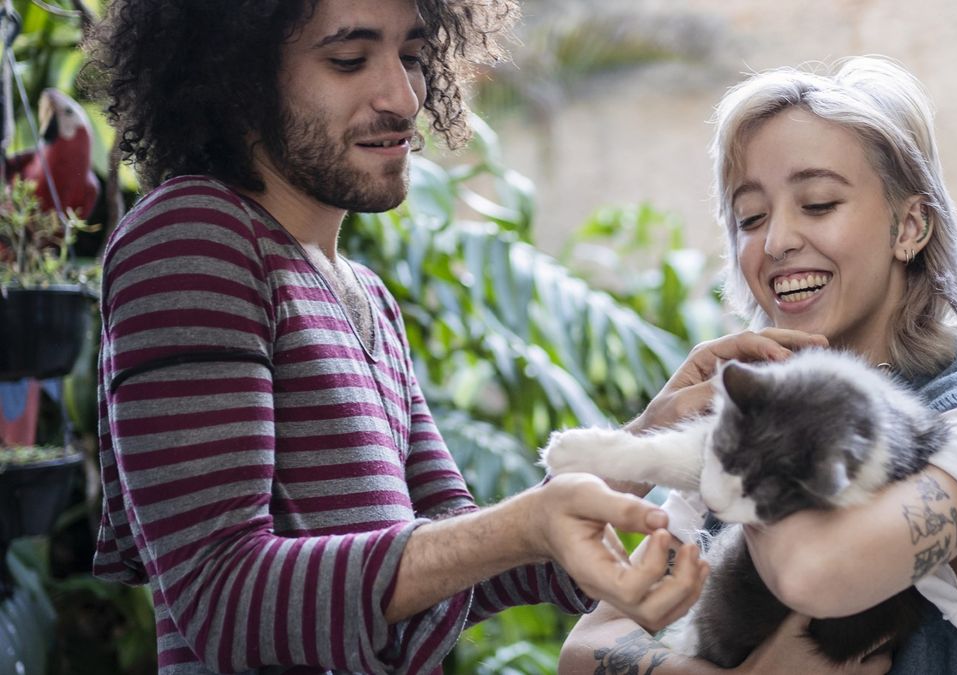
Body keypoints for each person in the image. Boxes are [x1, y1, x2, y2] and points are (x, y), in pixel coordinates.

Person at [83, 1, 711, 673]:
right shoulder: (192, 239)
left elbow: (459, 562)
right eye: (348, 60)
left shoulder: (368, 297)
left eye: (412, 55)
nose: (403, 96)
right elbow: (223, 596)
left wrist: (647, 443)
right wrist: (522, 525)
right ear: (234, 75)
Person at [560, 57, 957, 674]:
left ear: (909, 226)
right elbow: (587, 648)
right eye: (750, 217)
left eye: (819, 203)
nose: (775, 242)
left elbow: (815, 574)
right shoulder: (749, 410)